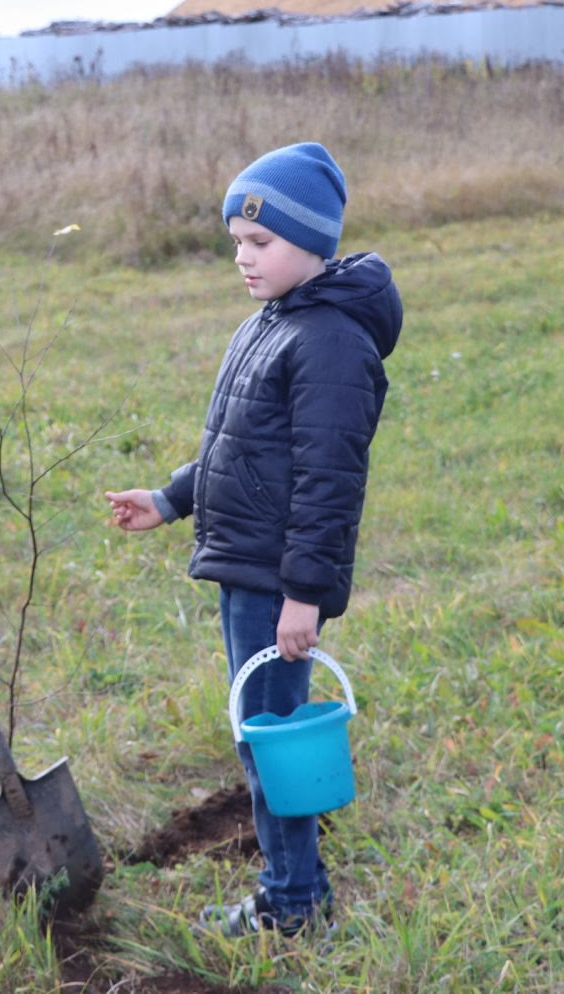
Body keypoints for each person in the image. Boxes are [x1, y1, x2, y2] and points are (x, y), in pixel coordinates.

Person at [105, 142, 401, 937]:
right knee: (260, 741)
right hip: (249, 571)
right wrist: (170, 499)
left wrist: (304, 596)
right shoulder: (273, 323)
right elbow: (239, 446)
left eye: (260, 242)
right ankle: (296, 891)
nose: (242, 256)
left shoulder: (330, 342)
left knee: (273, 748)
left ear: (313, 242)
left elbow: (328, 485)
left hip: (278, 582)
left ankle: (293, 905)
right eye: (237, 240)